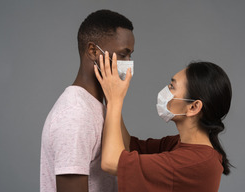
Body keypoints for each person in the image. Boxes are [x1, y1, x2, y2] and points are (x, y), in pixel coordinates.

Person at [94, 52, 232, 192]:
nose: (165, 90)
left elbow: (111, 162)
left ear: (193, 107)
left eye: (172, 87)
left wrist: (115, 100)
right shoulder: (179, 144)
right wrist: (110, 95)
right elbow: (129, 146)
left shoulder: (194, 162)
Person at [40, 9, 135, 192]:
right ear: (92, 50)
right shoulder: (75, 114)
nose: (128, 63)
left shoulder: (101, 107)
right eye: (123, 55)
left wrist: (114, 100)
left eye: (130, 55)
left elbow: (125, 159)